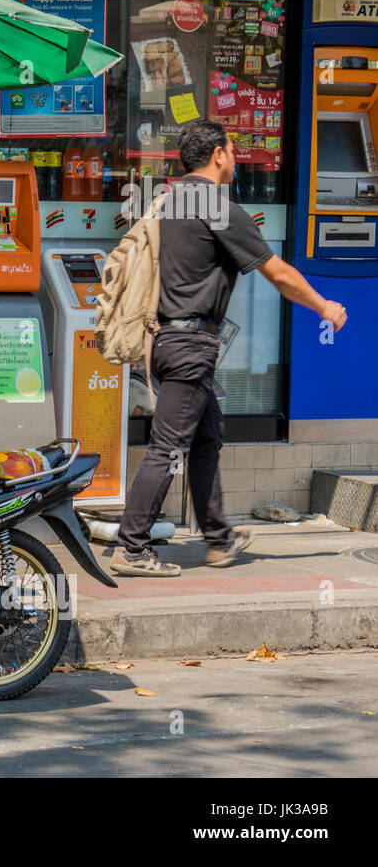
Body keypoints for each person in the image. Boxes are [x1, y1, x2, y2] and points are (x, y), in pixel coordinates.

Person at [111, 121, 348, 577]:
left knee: (206, 436)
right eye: (233, 150)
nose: (236, 158)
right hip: (190, 344)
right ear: (218, 154)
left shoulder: (170, 200)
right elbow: (276, 272)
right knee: (166, 448)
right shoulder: (218, 209)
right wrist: (324, 306)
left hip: (163, 340)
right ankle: (133, 547)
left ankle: (218, 539)